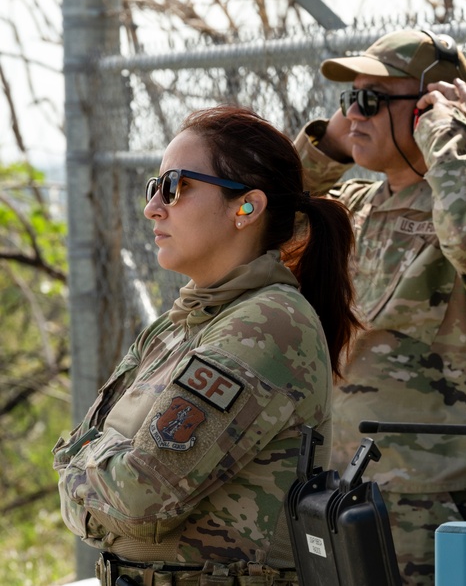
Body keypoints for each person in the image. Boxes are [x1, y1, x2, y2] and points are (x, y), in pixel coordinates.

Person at [53, 106, 362, 586]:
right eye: (153, 188)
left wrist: (82, 470)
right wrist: (99, 474)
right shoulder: (175, 328)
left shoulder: (267, 324)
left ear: (246, 208)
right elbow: (104, 475)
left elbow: (139, 495)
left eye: (175, 186)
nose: (153, 207)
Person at [291, 28, 466, 584]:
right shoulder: (353, 208)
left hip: (439, 500)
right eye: (348, 99)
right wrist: (330, 145)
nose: (354, 114)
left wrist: (449, 133)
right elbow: (267, 220)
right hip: (342, 496)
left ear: (431, 107)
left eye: (372, 99)